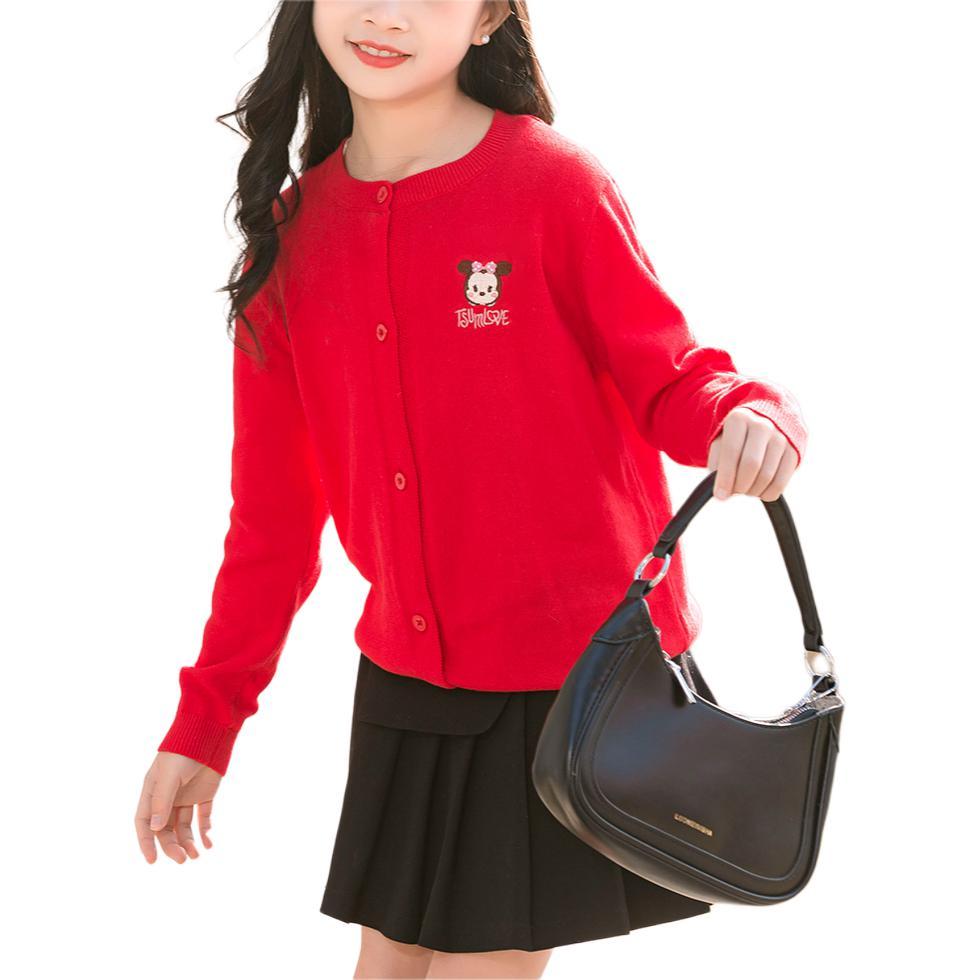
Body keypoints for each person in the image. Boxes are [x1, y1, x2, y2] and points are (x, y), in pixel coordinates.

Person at [135, 2, 809, 976]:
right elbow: (273, 529)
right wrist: (206, 722)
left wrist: (748, 413)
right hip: (406, 683)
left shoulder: (552, 188)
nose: (384, 14)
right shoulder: (288, 242)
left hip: (564, 683)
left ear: (490, 14)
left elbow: (668, 378)